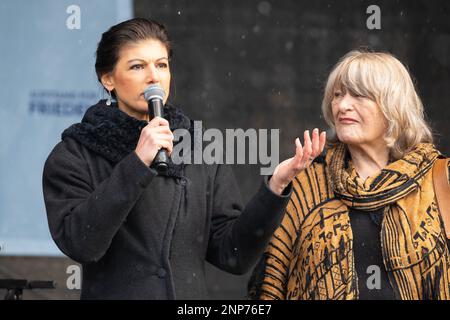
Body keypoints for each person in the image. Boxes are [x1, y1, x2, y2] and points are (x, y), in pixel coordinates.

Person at [42, 18, 326, 299]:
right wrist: (137, 163)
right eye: (137, 66)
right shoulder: (75, 154)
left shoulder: (199, 148)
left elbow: (233, 255)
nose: (154, 76)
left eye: (161, 65)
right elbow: (81, 243)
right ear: (108, 79)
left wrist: (276, 186)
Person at [248, 50, 450, 300]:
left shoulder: (439, 180)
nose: (342, 106)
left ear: (393, 106)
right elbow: (269, 283)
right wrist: (277, 183)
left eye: (359, 95)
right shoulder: (306, 184)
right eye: (337, 95)